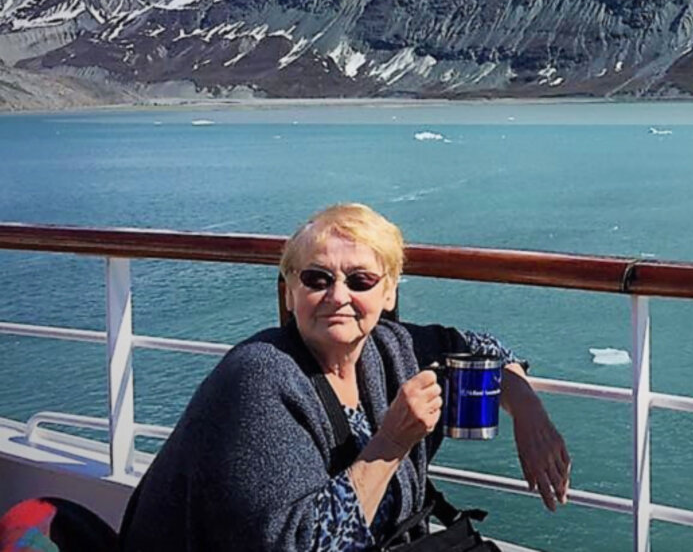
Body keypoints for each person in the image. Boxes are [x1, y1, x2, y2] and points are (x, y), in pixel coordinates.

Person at [119, 203, 571, 551]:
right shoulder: (260, 378)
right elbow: (301, 546)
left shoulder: (391, 348)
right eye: (317, 279)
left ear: (389, 291)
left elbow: (481, 347)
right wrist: (391, 443)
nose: (338, 296)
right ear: (289, 290)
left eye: (360, 280)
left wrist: (527, 410)